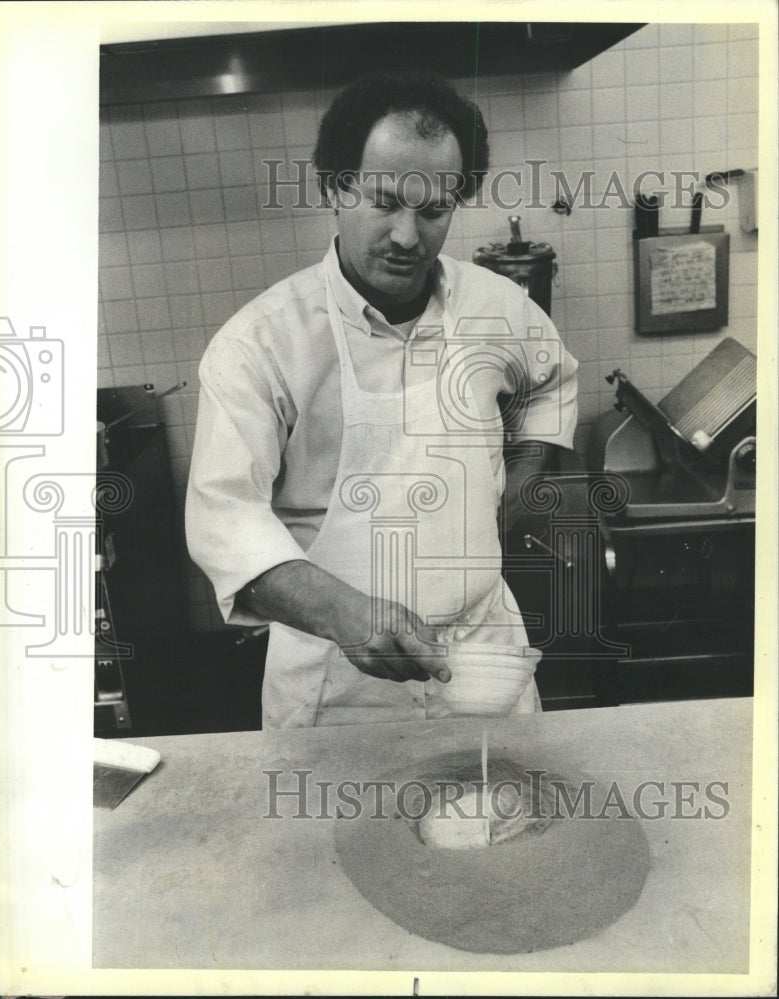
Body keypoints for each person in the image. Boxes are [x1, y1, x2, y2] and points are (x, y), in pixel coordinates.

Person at [186, 72, 578, 729]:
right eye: (384, 202)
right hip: (339, 684)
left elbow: (551, 381)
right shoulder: (262, 341)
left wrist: (519, 480)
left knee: (504, 823)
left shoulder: (497, 308)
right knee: (343, 832)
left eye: (432, 210)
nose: (406, 236)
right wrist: (346, 615)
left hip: (482, 656)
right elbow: (225, 517)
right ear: (336, 187)